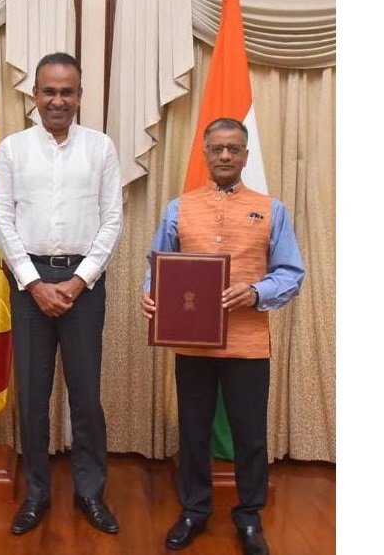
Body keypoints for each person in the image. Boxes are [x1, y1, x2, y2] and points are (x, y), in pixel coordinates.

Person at [140, 117, 304, 555]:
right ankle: (194, 510)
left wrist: (256, 292)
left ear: (246, 156)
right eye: (217, 149)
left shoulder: (272, 209)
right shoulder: (178, 208)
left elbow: (291, 273)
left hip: (248, 345)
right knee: (193, 432)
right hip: (191, 343)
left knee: (250, 436)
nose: (225, 155)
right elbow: (158, 264)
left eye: (234, 149)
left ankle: (249, 517)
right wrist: (150, 295)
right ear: (206, 154)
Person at [0, 52, 123, 536]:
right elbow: (2, 219)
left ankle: (90, 493)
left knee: (86, 396)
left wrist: (77, 280)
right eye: (49, 91)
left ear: (80, 96)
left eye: (67, 92)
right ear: (35, 95)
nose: (58, 100)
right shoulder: (13, 149)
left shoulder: (101, 147)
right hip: (28, 283)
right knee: (32, 396)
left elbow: (112, 219)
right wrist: (33, 282)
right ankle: (37, 493)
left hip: (83, 284)